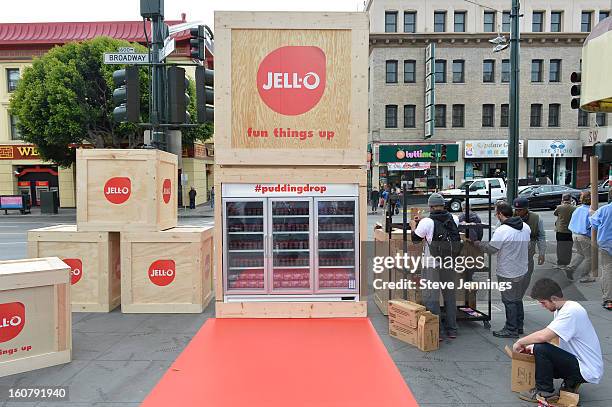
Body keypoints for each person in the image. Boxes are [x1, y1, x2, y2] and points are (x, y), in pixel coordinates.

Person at [513, 278, 603, 403]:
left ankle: (545, 392)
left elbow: (543, 336)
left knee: (541, 348)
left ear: (554, 298)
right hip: (578, 361)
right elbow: (554, 337)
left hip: (586, 368)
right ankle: (571, 381)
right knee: (538, 352)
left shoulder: (572, 311)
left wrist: (520, 342)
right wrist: (531, 348)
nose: (542, 306)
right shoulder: (562, 309)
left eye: (543, 302)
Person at [473, 201, 530, 338]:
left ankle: (511, 329)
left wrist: (478, 244)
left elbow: (492, 249)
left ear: (500, 214)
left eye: (495, 213)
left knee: (509, 301)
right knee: (517, 299)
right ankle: (519, 326)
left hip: (507, 270)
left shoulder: (502, 230)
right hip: (522, 268)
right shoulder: (525, 227)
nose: (495, 215)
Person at [410, 193, 461, 340]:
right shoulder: (454, 219)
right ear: (444, 205)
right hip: (449, 263)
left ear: (430, 206)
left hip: (432, 263)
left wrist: (414, 225)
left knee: (431, 297)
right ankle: (452, 330)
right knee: (449, 296)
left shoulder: (427, 222)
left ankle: (436, 331)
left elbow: (416, 240)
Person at [513, 197, 546, 291]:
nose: (518, 212)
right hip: (512, 256)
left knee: (526, 278)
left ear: (526, 209)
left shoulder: (536, 218)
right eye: (516, 210)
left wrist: (542, 253)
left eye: (520, 210)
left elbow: (541, 236)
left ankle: (520, 292)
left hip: (528, 255)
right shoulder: (509, 216)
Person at [589, 202, 612, 310]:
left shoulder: (604, 210)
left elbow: (594, 223)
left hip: (606, 243)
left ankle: (609, 300)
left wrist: (593, 213)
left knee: (607, 270)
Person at [567, 192, 594, 283]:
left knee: (580, 253)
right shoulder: (590, 211)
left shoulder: (578, 209)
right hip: (584, 236)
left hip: (574, 234)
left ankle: (571, 267)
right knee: (589, 257)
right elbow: (593, 224)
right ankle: (584, 276)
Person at [554, 194, 576, 270]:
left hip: (560, 230)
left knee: (560, 247)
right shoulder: (574, 208)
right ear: (570, 199)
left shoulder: (559, 207)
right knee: (568, 248)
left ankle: (560, 263)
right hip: (570, 230)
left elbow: (555, 213)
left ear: (563, 199)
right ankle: (567, 263)